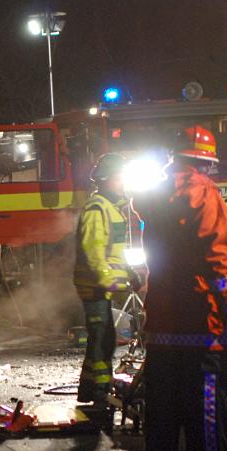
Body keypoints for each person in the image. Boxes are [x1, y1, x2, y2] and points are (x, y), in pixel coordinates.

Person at [132, 125, 227, 451]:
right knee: (205, 405)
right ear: (205, 162)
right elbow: (216, 257)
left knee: (161, 407)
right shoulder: (204, 192)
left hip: (162, 320)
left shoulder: (153, 193)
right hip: (201, 320)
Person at [73, 153, 135, 406]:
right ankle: (100, 392)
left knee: (102, 338)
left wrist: (130, 275)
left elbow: (115, 251)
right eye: (120, 178)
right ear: (108, 179)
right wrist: (109, 280)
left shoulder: (110, 207)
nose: (123, 183)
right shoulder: (97, 207)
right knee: (102, 340)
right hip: (95, 287)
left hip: (102, 287)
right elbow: (94, 251)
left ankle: (88, 388)